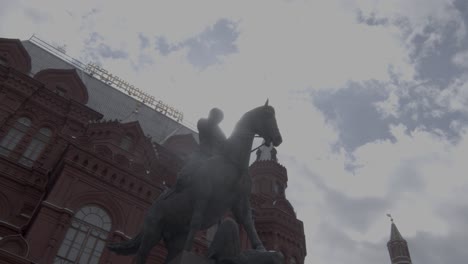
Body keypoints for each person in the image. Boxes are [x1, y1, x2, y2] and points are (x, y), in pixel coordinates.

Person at [174, 108, 226, 191]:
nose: (217, 120)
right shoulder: (203, 122)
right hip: (201, 154)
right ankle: (179, 184)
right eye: (216, 117)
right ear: (211, 115)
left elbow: (225, 144)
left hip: (213, 158)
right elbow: (208, 132)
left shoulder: (219, 132)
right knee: (188, 169)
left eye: (219, 119)